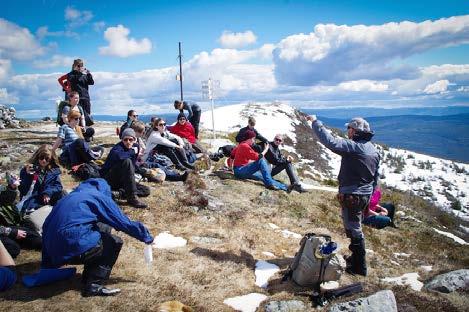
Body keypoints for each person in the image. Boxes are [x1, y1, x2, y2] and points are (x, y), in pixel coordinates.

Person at [41, 178, 154, 297]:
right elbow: (123, 222)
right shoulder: (98, 197)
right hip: (72, 245)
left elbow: (47, 227)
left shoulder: (68, 197)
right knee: (113, 242)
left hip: (53, 249)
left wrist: (47, 264)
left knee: (98, 229)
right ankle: (94, 285)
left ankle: (87, 276)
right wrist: (146, 236)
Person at [308, 115, 380, 276]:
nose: (347, 131)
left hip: (352, 196)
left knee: (354, 230)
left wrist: (315, 122)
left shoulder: (355, 147)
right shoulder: (373, 150)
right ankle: (355, 259)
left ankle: (359, 267)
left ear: (354, 131)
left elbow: (331, 141)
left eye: (349, 128)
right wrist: (369, 198)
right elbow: (376, 177)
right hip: (364, 195)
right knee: (355, 228)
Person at [100, 128, 149, 208]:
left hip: (123, 180)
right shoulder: (117, 148)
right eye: (125, 139)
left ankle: (119, 193)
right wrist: (133, 151)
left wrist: (143, 172)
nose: (128, 142)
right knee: (126, 161)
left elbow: (132, 164)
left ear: (134, 139)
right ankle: (132, 198)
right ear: (122, 140)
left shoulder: (136, 147)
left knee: (146, 190)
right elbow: (121, 156)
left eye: (130, 139)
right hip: (110, 178)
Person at [0, 173, 42, 258]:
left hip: (9, 226)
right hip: (5, 230)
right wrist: (11, 232)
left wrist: (13, 187)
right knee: (13, 249)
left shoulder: (2, 185)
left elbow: (9, 200)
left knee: (34, 235)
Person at [18, 145, 64, 214]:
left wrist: (48, 193)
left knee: (63, 196)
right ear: (37, 156)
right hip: (33, 199)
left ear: (51, 159)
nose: (44, 161)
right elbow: (24, 190)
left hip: (49, 197)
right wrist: (28, 175)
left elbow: (58, 186)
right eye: (41, 157)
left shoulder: (53, 171)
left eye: (47, 159)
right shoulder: (27, 169)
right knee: (30, 208)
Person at [67, 59, 94, 125]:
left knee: (87, 114)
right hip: (76, 98)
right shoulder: (71, 74)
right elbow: (73, 79)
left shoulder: (84, 75)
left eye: (81, 65)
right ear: (74, 66)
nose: (80, 67)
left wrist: (88, 74)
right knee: (77, 114)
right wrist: (76, 71)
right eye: (78, 65)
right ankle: (77, 129)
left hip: (85, 97)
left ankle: (86, 130)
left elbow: (91, 82)